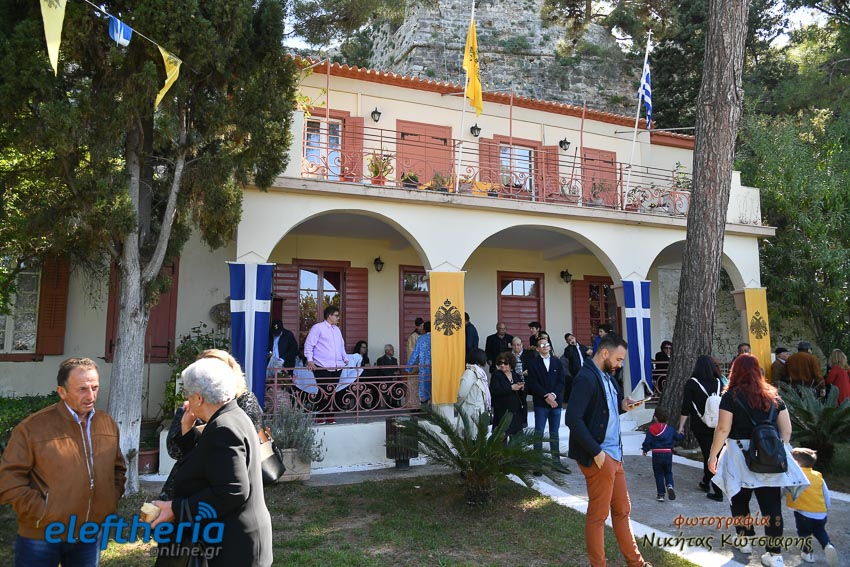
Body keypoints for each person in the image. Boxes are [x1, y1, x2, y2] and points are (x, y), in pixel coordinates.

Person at [0, 357, 126, 567]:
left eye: (95, 388)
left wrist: (109, 501)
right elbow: (8, 479)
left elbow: (118, 469)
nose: (91, 396)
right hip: (41, 535)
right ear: (62, 392)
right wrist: (43, 513)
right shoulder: (32, 428)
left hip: (88, 533)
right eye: (82, 389)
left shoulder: (107, 423)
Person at [152, 358, 273, 567]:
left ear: (199, 398)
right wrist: (187, 429)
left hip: (235, 547)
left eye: (188, 394)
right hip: (238, 539)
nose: (187, 399)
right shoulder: (231, 415)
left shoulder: (223, 427)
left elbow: (232, 490)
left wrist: (176, 508)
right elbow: (204, 465)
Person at [708, 355, 808, 567]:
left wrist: (713, 455)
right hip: (768, 458)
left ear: (735, 372)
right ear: (758, 372)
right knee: (772, 506)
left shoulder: (730, 397)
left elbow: (723, 428)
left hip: (739, 455)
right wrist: (773, 449)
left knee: (739, 498)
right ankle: (774, 554)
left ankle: (744, 539)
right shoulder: (773, 397)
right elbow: (787, 431)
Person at [565, 334, 649, 567]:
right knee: (598, 516)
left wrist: (624, 405)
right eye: (618, 359)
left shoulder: (607, 377)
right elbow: (572, 419)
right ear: (604, 354)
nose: (620, 364)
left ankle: (637, 563)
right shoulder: (585, 378)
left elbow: (605, 410)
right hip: (600, 457)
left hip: (614, 456)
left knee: (622, 510)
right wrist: (597, 453)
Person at [677, 355, 725, 502]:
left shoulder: (692, 383)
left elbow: (686, 407)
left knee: (708, 454)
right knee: (716, 454)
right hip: (719, 424)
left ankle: (716, 489)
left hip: (700, 425)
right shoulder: (719, 382)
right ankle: (706, 481)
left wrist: (681, 426)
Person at [786, 448, 838, 566]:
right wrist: (826, 508)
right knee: (820, 531)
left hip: (804, 514)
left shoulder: (796, 475)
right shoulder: (818, 476)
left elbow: (787, 490)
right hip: (821, 514)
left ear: (797, 462)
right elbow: (826, 494)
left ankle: (807, 553)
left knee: (804, 533)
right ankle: (827, 545)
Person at [526, 337, 568, 473]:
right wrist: (546, 396)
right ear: (538, 349)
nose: (545, 346)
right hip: (541, 403)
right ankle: (537, 465)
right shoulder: (533, 363)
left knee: (554, 433)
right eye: (542, 345)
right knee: (539, 433)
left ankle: (556, 463)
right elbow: (533, 383)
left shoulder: (557, 362)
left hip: (556, 403)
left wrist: (553, 395)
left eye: (547, 344)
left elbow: (561, 381)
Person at [304, 305, 348, 424]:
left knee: (332, 391)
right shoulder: (318, 328)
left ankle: (329, 415)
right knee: (324, 390)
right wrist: (310, 360)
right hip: (321, 365)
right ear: (330, 316)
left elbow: (341, 345)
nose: (338, 318)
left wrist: (345, 358)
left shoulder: (337, 330)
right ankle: (319, 415)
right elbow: (309, 344)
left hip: (337, 366)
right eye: (336, 316)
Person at [642, 407, 683, 502]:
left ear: (655, 417)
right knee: (668, 472)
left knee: (659, 474)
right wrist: (682, 434)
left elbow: (648, 441)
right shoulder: (670, 429)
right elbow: (677, 437)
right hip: (668, 453)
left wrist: (645, 449)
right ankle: (670, 485)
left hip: (657, 454)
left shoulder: (651, 429)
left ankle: (661, 495)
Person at [490, 352, 525, 437]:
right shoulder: (496, 375)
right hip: (502, 412)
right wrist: (511, 388)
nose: (502, 365)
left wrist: (522, 388)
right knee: (501, 438)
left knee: (517, 439)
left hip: (515, 412)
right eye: (500, 363)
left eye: (505, 363)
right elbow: (494, 390)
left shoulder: (516, 375)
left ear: (511, 364)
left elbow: (522, 394)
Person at [456, 348, 491, 429]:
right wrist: (458, 406)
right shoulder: (470, 372)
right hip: (470, 410)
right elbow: (462, 394)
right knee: (470, 434)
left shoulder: (480, 372)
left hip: (478, 410)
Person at [407, 320, 432, 404]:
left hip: (424, 367)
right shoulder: (437, 339)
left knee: (425, 389)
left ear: (424, 329)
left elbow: (415, 353)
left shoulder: (421, 338)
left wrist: (409, 368)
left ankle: (425, 406)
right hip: (436, 368)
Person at [510, 337, 531, 426]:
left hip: (524, 381)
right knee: (512, 401)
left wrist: (528, 371)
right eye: (514, 345)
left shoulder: (528, 354)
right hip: (512, 381)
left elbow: (533, 366)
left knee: (522, 400)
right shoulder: (509, 355)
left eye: (518, 345)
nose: (516, 347)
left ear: (522, 345)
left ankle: (523, 421)